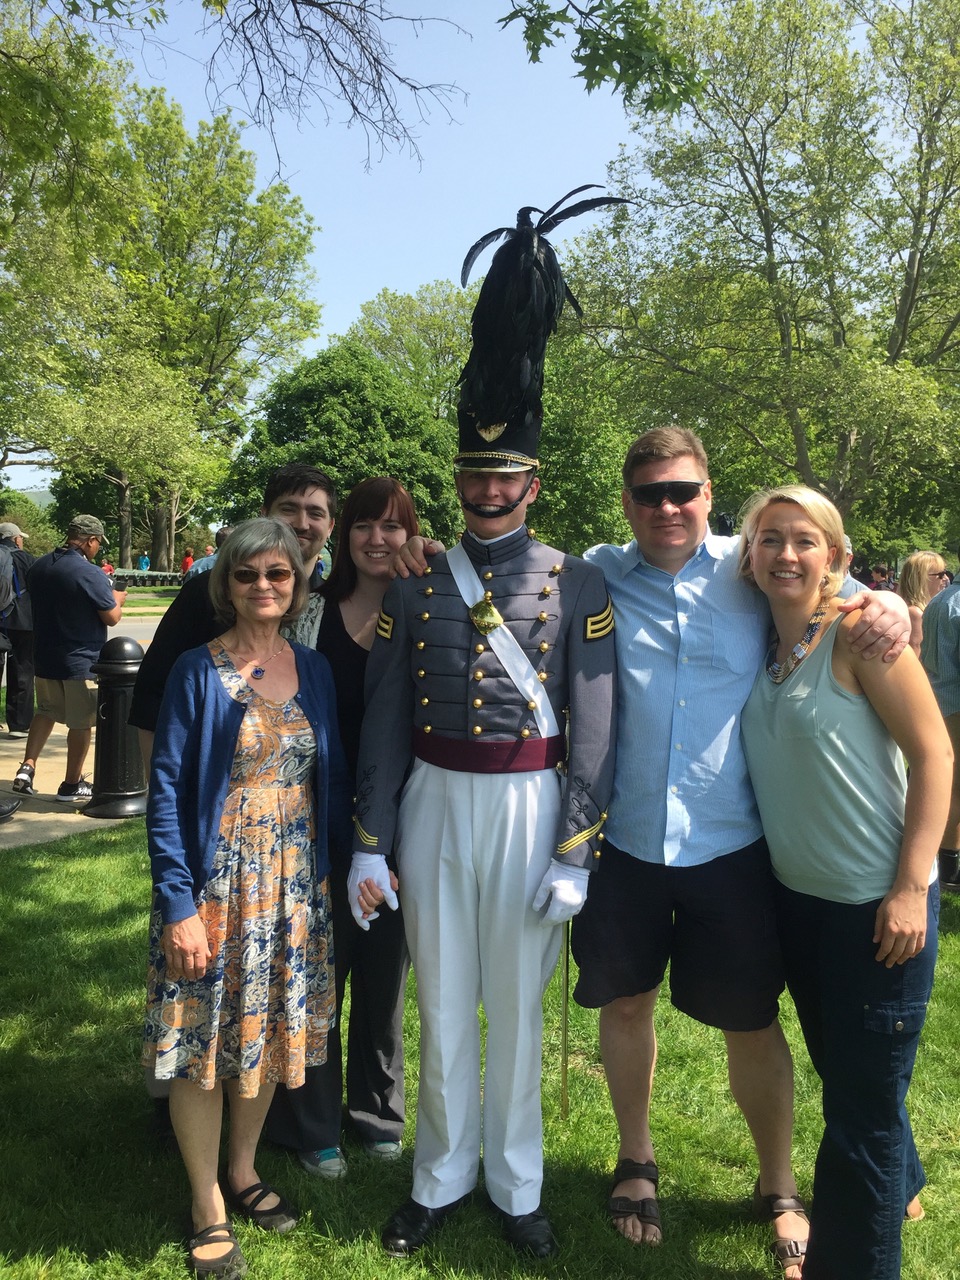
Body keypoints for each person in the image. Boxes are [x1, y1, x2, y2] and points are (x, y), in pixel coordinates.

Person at [397, 427, 910, 1273]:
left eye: (682, 492)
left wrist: (886, 602)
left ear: (710, 495)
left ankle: (776, 1183)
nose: (667, 507)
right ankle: (636, 1160)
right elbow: (496, 561)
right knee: (625, 1006)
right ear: (627, 501)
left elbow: (838, 589)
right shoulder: (592, 573)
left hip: (733, 841)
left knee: (751, 1020)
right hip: (624, 841)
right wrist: (422, 547)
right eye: (649, 494)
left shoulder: (754, 567)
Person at [352, 211, 617, 1262]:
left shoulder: (578, 580)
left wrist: (576, 847)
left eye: (508, 477)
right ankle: (438, 1174)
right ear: (458, 478)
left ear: (534, 481)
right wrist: (372, 834)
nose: (490, 490)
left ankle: (516, 1185)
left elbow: (596, 720)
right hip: (431, 799)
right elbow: (382, 717)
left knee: (514, 1001)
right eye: (474, 476)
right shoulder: (417, 584)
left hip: (530, 803)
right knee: (444, 997)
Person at [738, 486, 950, 1280]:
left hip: (877, 908)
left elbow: (937, 756)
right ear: (750, 554)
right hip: (802, 907)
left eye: (805, 541)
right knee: (851, 1077)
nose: (786, 554)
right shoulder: (767, 638)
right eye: (770, 540)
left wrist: (910, 887)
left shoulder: (863, 637)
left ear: (838, 558)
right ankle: (907, 1185)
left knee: (859, 1120)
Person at [143, 518, 351, 1279]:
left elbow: (328, 777)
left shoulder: (315, 670)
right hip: (217, 884)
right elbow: (164, 789)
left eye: (280, 575)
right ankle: (206, 1201)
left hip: (293, 886)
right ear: (224, 583)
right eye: (247, 574)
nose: (264, 587)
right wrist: (177, 902)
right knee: (203, 1042)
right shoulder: (199, 671)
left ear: (298, 585)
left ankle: (243, 1166)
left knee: (263, 1034)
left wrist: (328, 874)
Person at [265, 478, 418, 1180]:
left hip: (409, 823)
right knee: (319, 977)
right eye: (364, 525)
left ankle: (377, 1113)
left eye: (395, 527)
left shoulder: (428, 604)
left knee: (384, 978)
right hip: (315, 822)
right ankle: (314, 1122)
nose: (378, 539)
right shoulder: (308, 614)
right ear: (346, 535)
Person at [130, 465, 337, 753]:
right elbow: (152, 698)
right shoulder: (204, 593)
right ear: (265, 515)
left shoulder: (334, 603)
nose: (302, 523)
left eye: (315, 513)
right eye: (289, 508)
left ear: (330, 527)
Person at [11, 515, 126, 802]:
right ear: (90, 541)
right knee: (81, 722)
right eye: (98, 542)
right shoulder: (89, 573)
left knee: (46, 711)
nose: (97, 547)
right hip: (80, 659)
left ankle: (27, 767)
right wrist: (118, 598)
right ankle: (71, 785)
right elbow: (111, 617)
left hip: (45, 656)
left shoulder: (39, 566)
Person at [919, 577, 960, 891]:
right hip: (955, 703)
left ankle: (946, 865)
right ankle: (947, 870)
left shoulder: (939, 600)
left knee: (945, 783)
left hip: (935, 700)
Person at [0, 521, 37, 738]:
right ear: (16, 539)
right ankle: (19, 724)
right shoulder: (26, 559)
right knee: (22, 672)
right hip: (23, 623)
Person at [897, 550, 948, 654]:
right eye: (941, 574)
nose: (946, 578)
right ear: (921, 578)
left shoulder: (925, 608)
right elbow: (916, 656)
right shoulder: (915, 613)